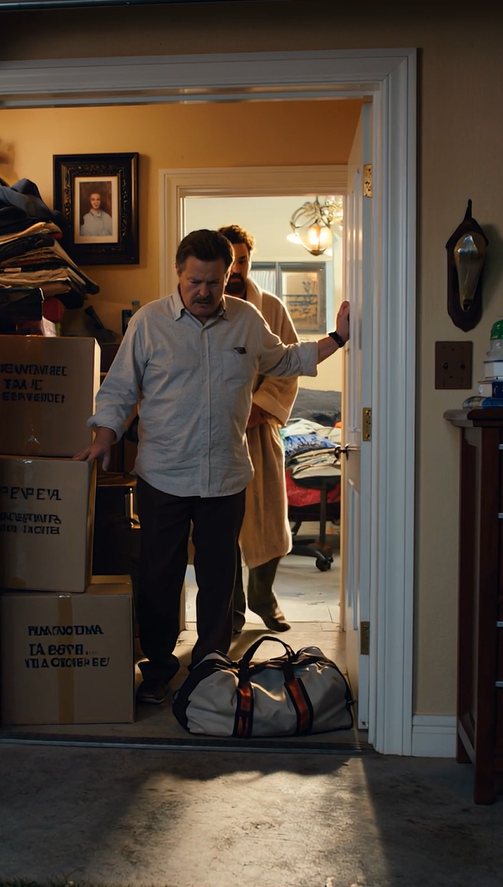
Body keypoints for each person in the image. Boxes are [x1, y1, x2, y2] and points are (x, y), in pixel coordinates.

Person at [73, 229, 350, 704]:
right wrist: (104, 435)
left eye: (214, 283)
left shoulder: (246, 319)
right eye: (194, 282)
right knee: (160, 577)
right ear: (179, 274)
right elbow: (119, 389)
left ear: (229, 276)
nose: (203, 292)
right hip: (163, 474)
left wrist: (340, 337)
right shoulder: (148, 323)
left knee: (220, 582)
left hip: (225, 475)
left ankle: (210, 671)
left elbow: (285, 360)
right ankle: (159, 670)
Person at [218, 224, 299, 635]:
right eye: (230, 261)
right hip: (216, 436)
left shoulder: (271, 309)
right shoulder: (203, 307)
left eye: (243, 261)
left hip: (259, 430)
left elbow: (286, 371)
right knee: (223, 528)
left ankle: (263, 597)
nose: (237, 270)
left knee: (269, 520)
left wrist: (257, 409)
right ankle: (231, 610)